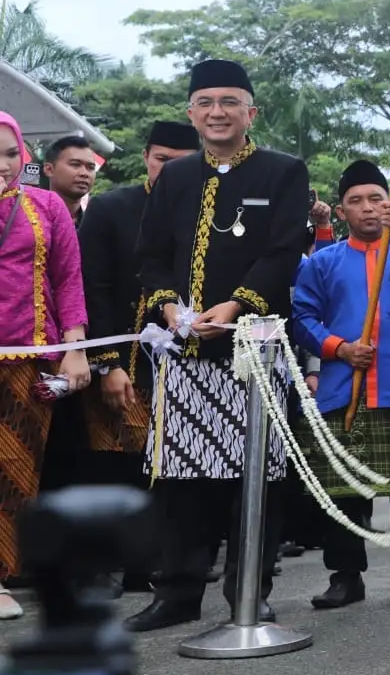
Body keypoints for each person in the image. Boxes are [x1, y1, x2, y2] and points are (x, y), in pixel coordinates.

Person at [127, 60, 311, 632]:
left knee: (257, 477)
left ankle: (248, 590)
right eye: (205, 102)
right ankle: (178, 592)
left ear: (250, 112)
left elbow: (283, 252)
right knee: (180, 478)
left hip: (253, 350)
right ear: (192, 113)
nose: (217, 112)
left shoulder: (284, 171)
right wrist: (169, 307)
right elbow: (150, 255)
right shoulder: (176, 177)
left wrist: (234, 306)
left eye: (229, 102)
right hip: (183, 354)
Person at [60, 120, 198, 595]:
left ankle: (147, 563)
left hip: (180, 362)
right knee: (106, 461)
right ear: (145, 158)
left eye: (181, 164)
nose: (169, 171)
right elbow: (90, 288)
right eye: (162, 160)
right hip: (118, 358)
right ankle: (96, 566)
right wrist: (108, 362)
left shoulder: (204, 213)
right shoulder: (112, 207)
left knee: (166, 466)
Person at [290, 160, 390, 611]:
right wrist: (339, 348)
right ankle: (345, 577)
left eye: (376, 198)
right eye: (356, 201)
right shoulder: (322, 262)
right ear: (341, 211)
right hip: (341, 388)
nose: (368, 208)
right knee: (343, 492)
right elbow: (302, 318)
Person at [0, 110, 90, 620]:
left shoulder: (47, 205)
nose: (4, 165)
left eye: (11, 153)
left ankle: (0, 577)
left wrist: (75, 349)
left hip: (31, 358)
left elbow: (68, 280)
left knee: (16, 469)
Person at [42, 134, 98, 227]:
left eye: (91, 167)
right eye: (75, 164)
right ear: (49, 169)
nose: (84, 173)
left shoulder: (97, 225)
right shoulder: (28, 220)